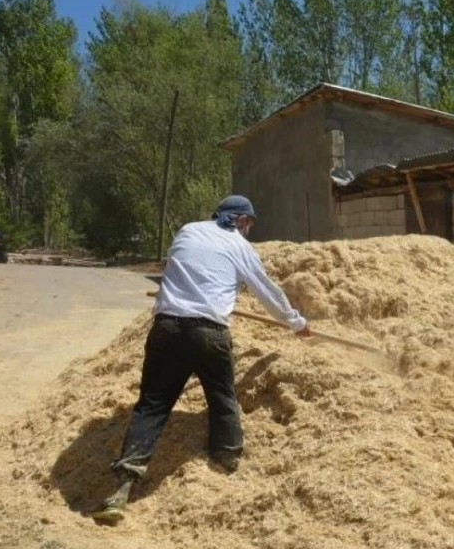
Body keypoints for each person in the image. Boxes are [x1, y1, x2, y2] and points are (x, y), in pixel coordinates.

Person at [93, 195, 310, 523]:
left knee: (151, 405)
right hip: (209, 332)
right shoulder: (239, 245)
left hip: (166, 327)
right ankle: (227, 460)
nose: (248, 230)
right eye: (249, 223)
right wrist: (297, 322)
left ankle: (122, 488)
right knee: (222, 397)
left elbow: (187, 269)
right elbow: (267, 291)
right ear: (240, 220)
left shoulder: (188, 231)